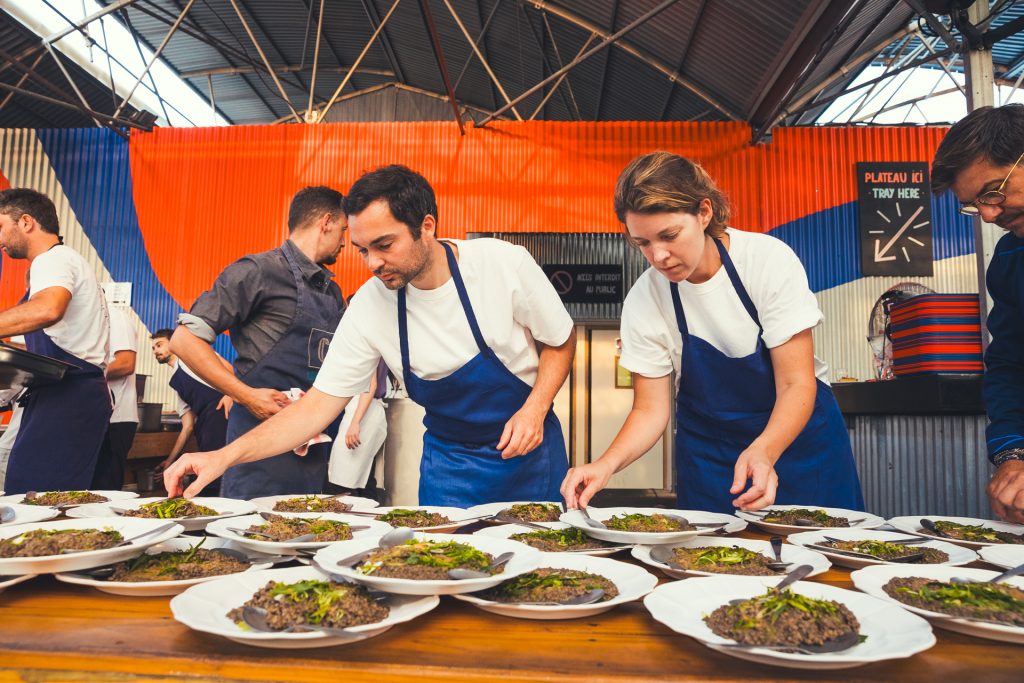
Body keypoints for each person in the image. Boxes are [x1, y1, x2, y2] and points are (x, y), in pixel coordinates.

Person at [165, 165, 576, 506]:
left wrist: (535, 408)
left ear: (426, 226)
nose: (372, 263)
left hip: (529, 454)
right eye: (362, 249)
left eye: (384, 244)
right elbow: (316, 409)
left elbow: (560, 340)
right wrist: (223, 456)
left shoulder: (502, 264)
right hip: (450, 466)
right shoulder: (369, 305)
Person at [561, 152, 864, 513]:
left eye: (669, 235)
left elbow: (795, 383)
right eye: (642, 243)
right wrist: (604, 464)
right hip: (711, 456)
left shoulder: (766, 261)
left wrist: (764, 450)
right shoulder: (646, 298)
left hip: (800, 444)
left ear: (704, 212)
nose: (658, 256)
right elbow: (649, 410)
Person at [169, 186, 347, 498]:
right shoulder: (258, 271)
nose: (346, 241)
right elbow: (184, 341)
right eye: (344, 230)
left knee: (306, 537)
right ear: (326, 222)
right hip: (256, 444)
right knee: (250, 537)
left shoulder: (332, 293)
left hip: (312, 441)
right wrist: (245, 395)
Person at [931, 103, 1024, 524]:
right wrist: (1012, 454)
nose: (989, 214)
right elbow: (1007, 363)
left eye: (993, 191)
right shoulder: (1011, 259)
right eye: (975, 205)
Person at [0, 188, 111, 493]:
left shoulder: (52, 260)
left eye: (0, 227)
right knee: (38, 492)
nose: (0, 241)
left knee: (38, 498)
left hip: (69, 393)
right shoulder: (62, 260)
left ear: (25, 222)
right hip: (61, 393)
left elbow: (48, 308)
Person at [149, 328, 231, 481]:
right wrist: (171, 460)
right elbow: (187, 427)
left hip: (223, 415)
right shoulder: (175, 382)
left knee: (223, 473)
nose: (155, 351)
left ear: (173, 343)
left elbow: (229, 368)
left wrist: (230, 394)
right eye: (153, 348)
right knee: (209, 477)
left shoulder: (193, 356)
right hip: (206, 427)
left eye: (159, 345)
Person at [91, 305, 139, 490]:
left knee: (105, 486)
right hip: (95, 415)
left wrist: (83, 375)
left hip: (116, 418)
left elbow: (126, 363)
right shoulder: (90, 324)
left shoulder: (114, 316)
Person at [328, 358, 389, 494]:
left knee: (343, 479)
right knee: (361, 478)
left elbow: (370, 387)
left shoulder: (367, 345)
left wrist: (355, 423)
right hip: (366, 409)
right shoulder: (376, 344)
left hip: (362, 410)